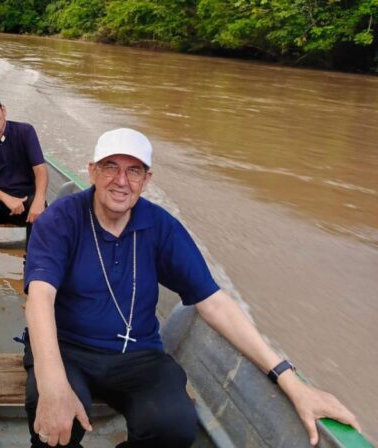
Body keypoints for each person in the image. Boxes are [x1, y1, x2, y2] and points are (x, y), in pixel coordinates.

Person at [23, 128, 361, 447]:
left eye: (135, 171)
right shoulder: (62, 219)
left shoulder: (161, 227)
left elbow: (213, 302)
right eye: (110, 167)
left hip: (137, 353)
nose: (121, 181)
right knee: (53, 422)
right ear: (92, 171)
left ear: (147, 179)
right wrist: (53, 383)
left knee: (173, 426)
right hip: (66, 347)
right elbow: (40, 296)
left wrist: (290, 381)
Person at [0, 92, 48, 246]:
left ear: (3, 110)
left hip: (25, 202)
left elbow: (40, 169)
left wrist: (39, 200)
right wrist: (6, 198)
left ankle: (33, 264)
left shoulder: (25, 131)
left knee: (40, 207)